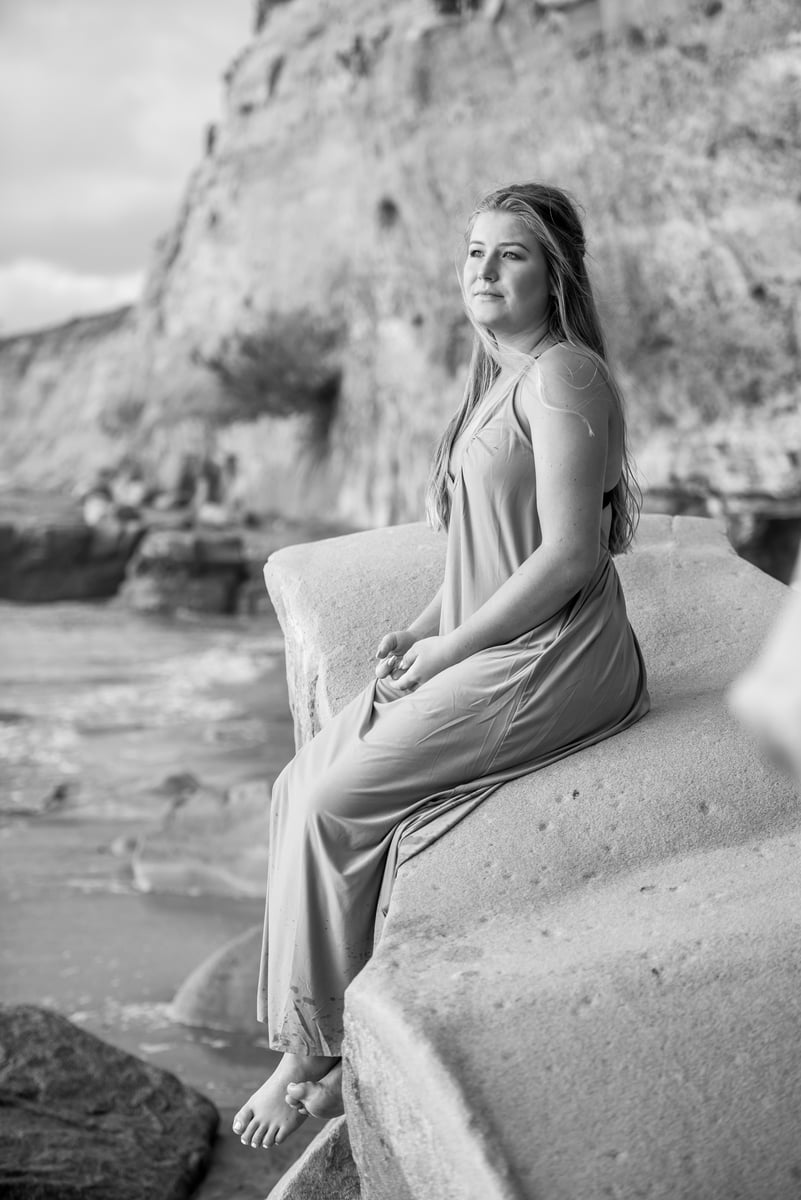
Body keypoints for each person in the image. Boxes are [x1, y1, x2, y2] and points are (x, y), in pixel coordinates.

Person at [233, 182, 650, 1149]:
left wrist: (451, 650)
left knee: (335, 805)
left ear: (555, 275)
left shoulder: (564, 376)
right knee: (296, 787)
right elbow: (482, 552)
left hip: (553, 653)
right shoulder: (493, 383)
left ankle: (311, 1054)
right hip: (482, 639)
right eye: (473, 253)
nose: (484, 271)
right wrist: (420, 628)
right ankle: (318, 1031)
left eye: (511, 254)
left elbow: (570, 557)